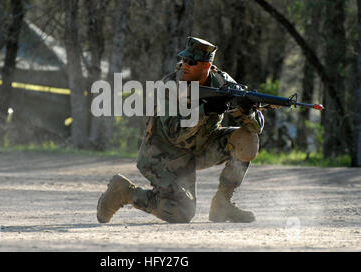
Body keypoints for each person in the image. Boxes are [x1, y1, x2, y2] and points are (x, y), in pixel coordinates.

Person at [97, 36, 264, 223]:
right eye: (184, 59)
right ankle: (125, 193)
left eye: (192, 62)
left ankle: (222, 204)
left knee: (247, 139)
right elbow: (174, 134)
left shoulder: (223, 83)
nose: (185, 65)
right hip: (163, 156)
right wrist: (205, 110)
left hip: (198, 150)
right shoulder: (168, 87)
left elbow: (256, 127)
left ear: (206, 66)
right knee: (181, 213)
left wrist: (246, 110)